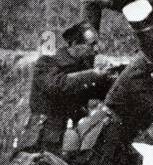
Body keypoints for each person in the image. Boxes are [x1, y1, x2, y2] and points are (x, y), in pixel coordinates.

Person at [16, 22, 117, 155]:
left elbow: (102, 92)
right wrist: (93, 74)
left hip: (70, 139)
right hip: (44, 137)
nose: (96, 49)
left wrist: (112, 77)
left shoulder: (83, 67)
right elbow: (59, 85)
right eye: (91, 44)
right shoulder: (47, 62)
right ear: (75, 44)